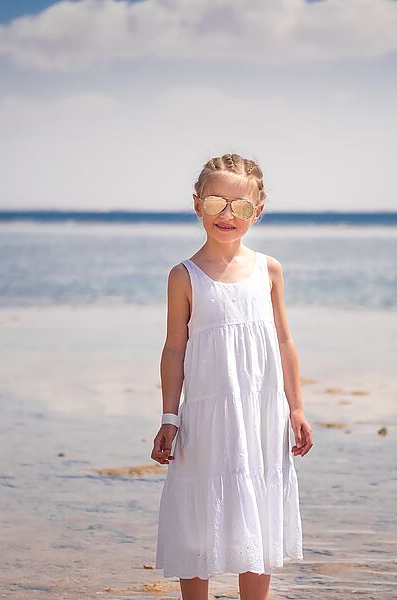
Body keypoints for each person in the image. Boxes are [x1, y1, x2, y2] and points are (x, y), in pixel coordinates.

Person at [153, 153, 313, 600]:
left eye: (240, 207)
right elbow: (174, 348)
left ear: (257, 212)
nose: (227, 215)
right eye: (216, 203)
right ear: (196, 204)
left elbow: (284, 341)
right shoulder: (183, 276)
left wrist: (296, 407)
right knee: (196, 513)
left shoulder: (270, 270)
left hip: (261, 412)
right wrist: (169, 416)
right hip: (207, 413)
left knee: (257, 512)